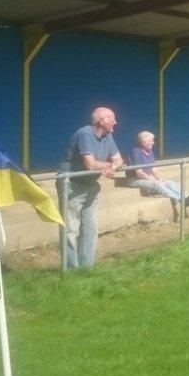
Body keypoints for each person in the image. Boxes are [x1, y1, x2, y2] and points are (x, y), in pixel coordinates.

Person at [56, 107, 124, 269]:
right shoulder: (85, 134)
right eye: (112, 119)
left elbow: (120, 160)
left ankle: (86, 268)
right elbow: (90, 164)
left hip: (91, 186)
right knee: (70, 229)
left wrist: (112, 167)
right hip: (71, 185)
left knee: (90, 228)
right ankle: (71, 269)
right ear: (102, 121)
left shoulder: (108, 136)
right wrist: (109, 165)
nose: (116, 122)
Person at [127, 131, 189, 209]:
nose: (153, 143)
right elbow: (139, 173)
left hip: (147, 178)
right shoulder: (136, 152)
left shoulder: (150, 152)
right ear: (143, 142)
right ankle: (182, 200)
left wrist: (160, 179)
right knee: (157, 184)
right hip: (135, 180)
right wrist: (155, 180)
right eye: (151, 141)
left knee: (169, 182)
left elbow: (154, 169)